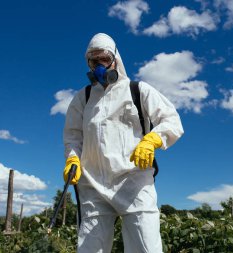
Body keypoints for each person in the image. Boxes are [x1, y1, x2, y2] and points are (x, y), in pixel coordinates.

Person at [63, 33, 184, 253]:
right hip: (93, 185)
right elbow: (73, 135)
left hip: (134, 181)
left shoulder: (138, 90)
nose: (100, 66)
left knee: (146, 247)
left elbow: (172, 121)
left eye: (104, 59)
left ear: (116, 59)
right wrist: (72, 158)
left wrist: (153, 139)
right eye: (94, 61)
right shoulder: (83, 98)